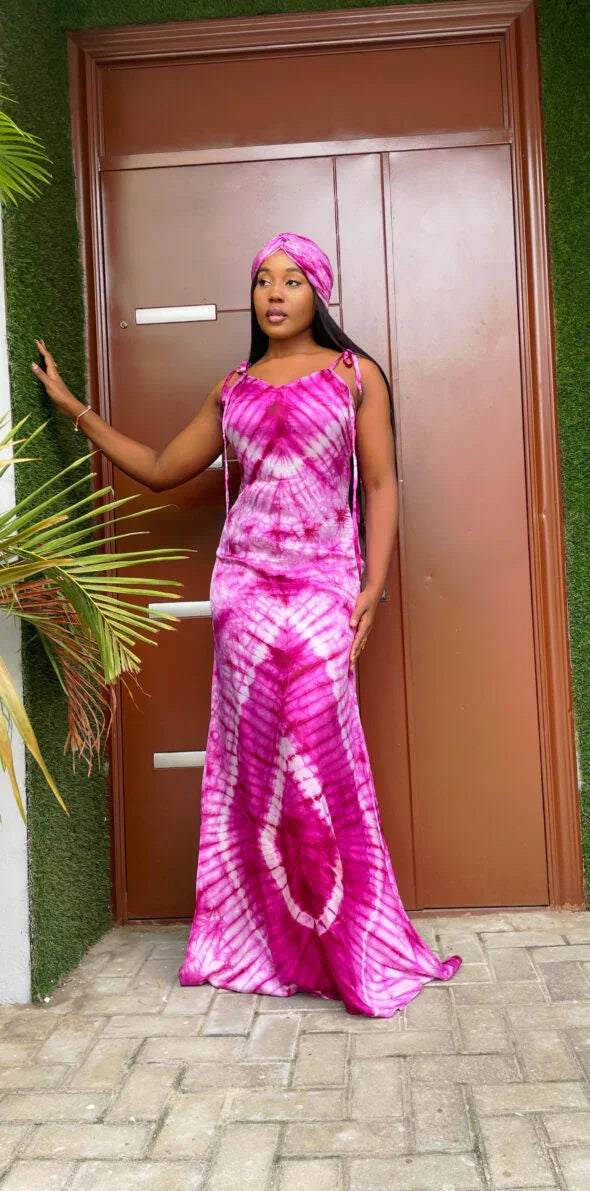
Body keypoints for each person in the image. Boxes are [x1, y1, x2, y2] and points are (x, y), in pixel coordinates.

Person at [31, 231, 462, 1017]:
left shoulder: (354, 375)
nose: (275, 293)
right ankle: (269, 943)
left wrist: (373, 586)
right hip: (246, 595)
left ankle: (344, 939)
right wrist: (76, 410)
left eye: (292, 280)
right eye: (263, 280)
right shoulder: (233, 387)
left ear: (318, 293)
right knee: (257, 768)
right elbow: (162, 468)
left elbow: (381, 485)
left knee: (323, 759)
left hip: (326, 584)